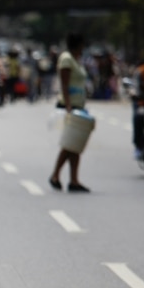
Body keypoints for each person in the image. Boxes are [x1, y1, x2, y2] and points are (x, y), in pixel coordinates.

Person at [49, 33, 90, 193]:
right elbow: (64, 84)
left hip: (78, 106)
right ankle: (55, 175)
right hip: (70, 106)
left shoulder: (75, 59)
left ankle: (74, 180)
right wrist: (68, 107)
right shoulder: (66, 59)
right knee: (69, 144)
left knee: (76, 145)